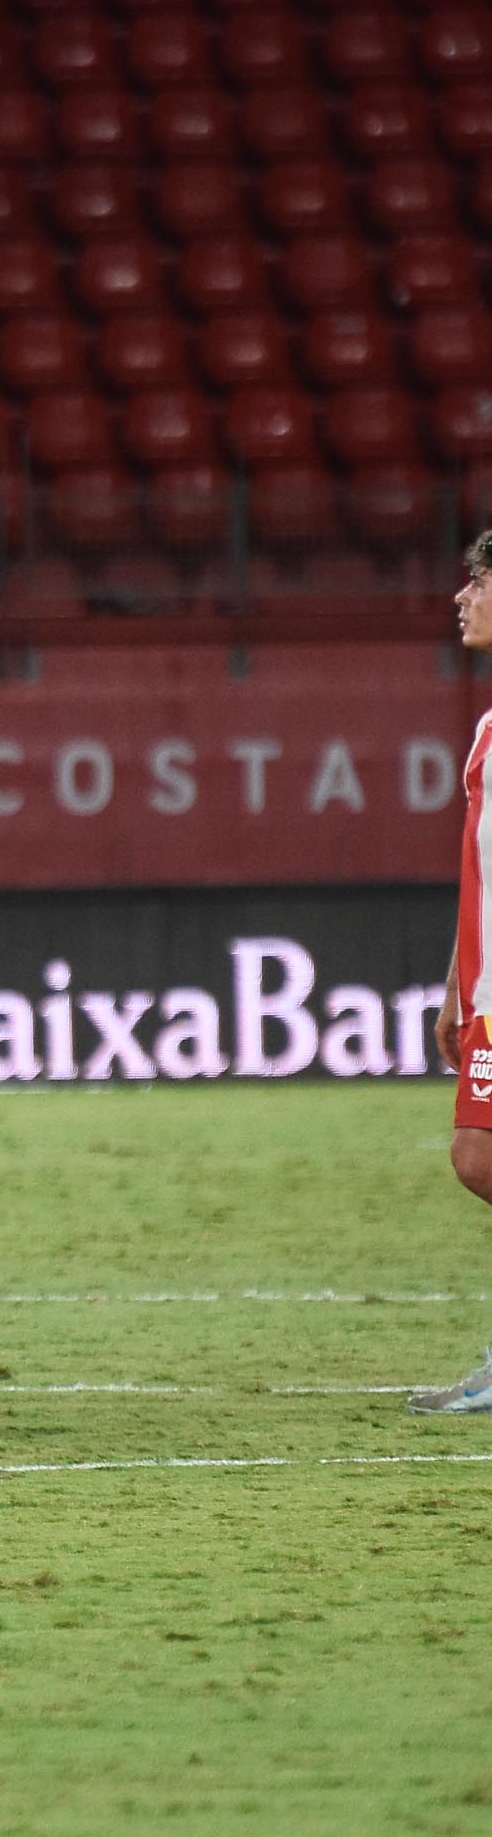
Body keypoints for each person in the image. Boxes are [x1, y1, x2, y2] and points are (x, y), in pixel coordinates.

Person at [415, 534, 492, 1412]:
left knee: (477, 1158)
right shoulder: (483, 733)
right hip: (483, 996)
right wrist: (452, 986)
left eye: (476, 580)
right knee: (478, 1157)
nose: (459, 597)